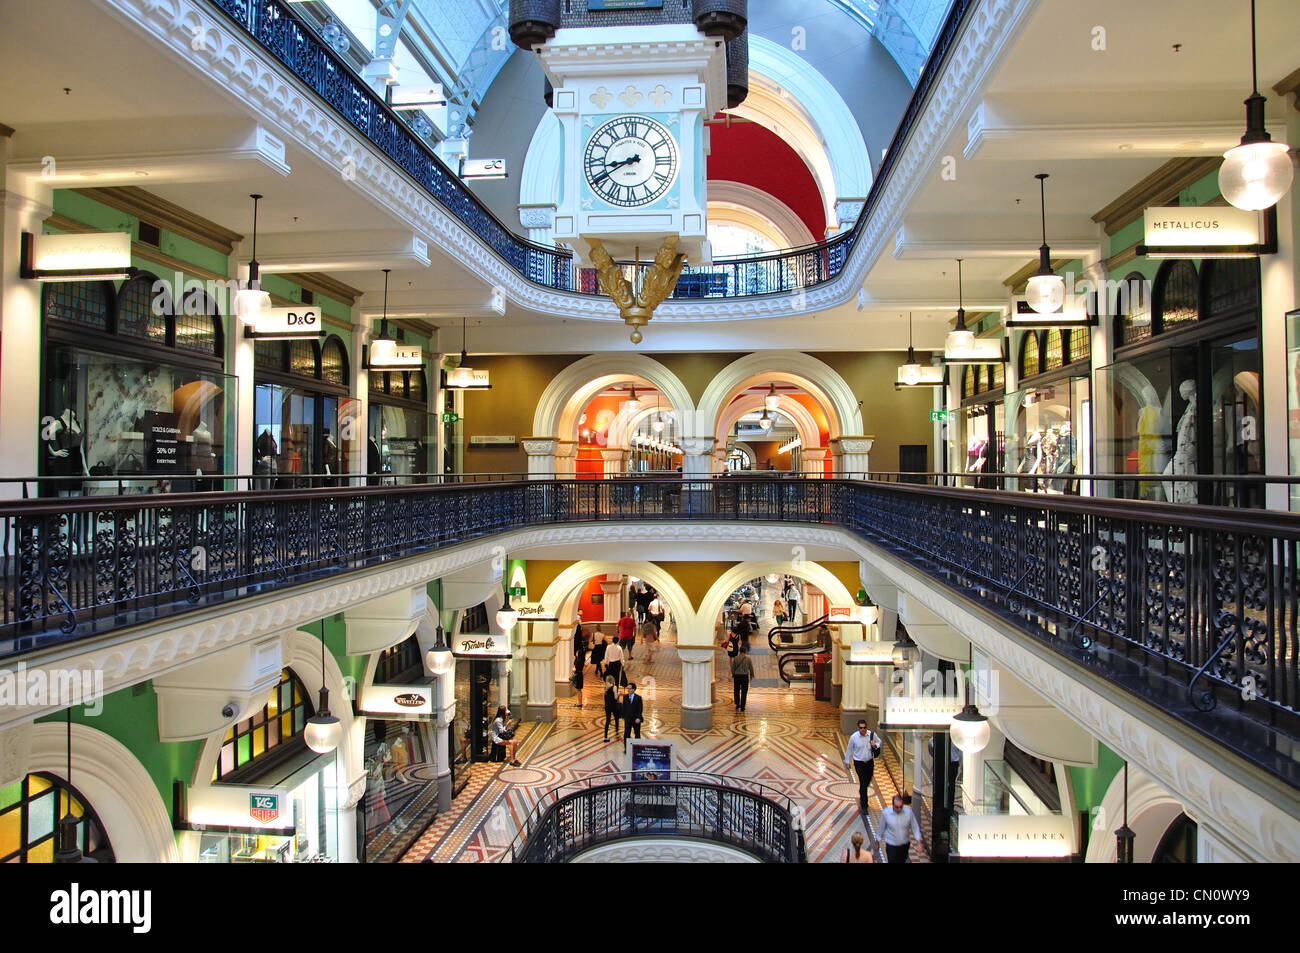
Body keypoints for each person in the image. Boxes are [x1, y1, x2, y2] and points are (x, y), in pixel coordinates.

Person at [844, 719, 882, 810]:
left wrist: (875, 745)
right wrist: (847, 761)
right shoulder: (854, 737)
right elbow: (849, 749)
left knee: (867, 781)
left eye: (864, 728)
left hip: (869, 762)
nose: (863, 729)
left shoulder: (871, 735)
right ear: (858, 728)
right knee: (863, 783)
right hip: (859, 763)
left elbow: (879, 742)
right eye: (861, 728)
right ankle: (864, 805)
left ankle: (862, 791)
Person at [880, 793, 921, 863]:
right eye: (897, 807)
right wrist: (877, 840)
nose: (899, 809)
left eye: (901, 807)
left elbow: (915, 827)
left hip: (904, 845)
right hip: (891, 845)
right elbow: (881, 828)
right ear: (893, 805)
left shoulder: (908, 812)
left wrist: (919, 842)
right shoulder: (886, 813)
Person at [730, 644, 754, 712]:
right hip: (745, 676)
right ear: (745, 651)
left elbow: (732, 668)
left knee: (736, 690)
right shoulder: (748, 659)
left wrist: (733, 674)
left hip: (737, 676)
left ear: (739, 651)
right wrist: (752, 675)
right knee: (744, 691)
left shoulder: (736, 658)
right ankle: (743, 706)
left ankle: (737, 704)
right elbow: (751, 667)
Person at [603, 678, 622, 742]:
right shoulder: (614, 687)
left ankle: (605, 737)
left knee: (607, 721)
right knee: (616, 719)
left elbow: (604, 698)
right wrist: (619, 693)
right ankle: (617, 733)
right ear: (612, 681)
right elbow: (615, 697)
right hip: (614, 706)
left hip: (607, 706)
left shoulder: (605, 688)